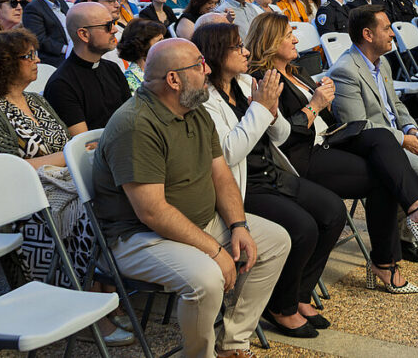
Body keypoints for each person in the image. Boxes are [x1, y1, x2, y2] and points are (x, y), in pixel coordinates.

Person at [91, 37, 290, 358]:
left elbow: (221, 174)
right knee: (207, 279)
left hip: (195, 223)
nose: (207, 69)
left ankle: (233, 344)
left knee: (275, 241)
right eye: (199, 65)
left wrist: (238, 224)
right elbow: (152, 212)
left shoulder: (191, 108)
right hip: (138, 238)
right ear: (173, 79)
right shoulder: (136, 125)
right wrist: (214, 250)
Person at [246, 12, 418, 294]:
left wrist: (323, 103)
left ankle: (415, 212)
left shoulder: (295, 71)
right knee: (383, 175)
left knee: (382, 138)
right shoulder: (264, 79)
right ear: (271, 41)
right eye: (288, 35)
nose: (296, 39)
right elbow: (283, 136)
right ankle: (389, 258)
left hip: (329, 140)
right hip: (301, 156)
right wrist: (316, 104)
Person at [0, 28, 132, 345]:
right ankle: (88, 306)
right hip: (23, 202)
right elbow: (3, 170)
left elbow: (67, 144)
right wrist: (65, 157)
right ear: (5, 63)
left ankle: (102, 293)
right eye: (29, 56)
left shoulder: (37, 101)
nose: (37, 59)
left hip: (61, 186)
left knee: (111, 199)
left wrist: (69, 155)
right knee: (90, 211)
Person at [195, 22, 344, 338]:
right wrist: (260, 110)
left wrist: (271, 111)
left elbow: (283, 135)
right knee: (303, 227)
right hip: (239, 185)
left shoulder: (247, 82)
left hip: (270, 170)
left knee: (333, 212)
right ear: (218, 54)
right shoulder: (205, 99)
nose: (246, 51)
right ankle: (281, 307)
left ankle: (300, 294)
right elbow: (228, 153)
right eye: (238, 47)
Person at [330, 5, 418, 263]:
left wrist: (411, 129)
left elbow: (396, 105)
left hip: (398, 135)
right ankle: (404, 239)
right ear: (368, 34)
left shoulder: (383, 62)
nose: (392, 34)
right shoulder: (345, 70)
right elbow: (357, 126)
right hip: (372, 145)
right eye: (387, 28)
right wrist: (403, 140)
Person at [43, 2, 131, 137]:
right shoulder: (61, 85)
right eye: (107, 26)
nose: (114, 29)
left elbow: (130, 116)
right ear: (84, 34)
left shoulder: (111, 68)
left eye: (113, 23)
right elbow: (83, 143)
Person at [22, 0, 70, 67]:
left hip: (72, 51)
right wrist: (66, 49)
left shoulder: (61, 2)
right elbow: (39, 39)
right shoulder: (33, 8)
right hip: (55, 58)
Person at [117, 18, 166, 93]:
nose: (165, 45)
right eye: (159, 41)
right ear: (142, 46)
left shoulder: (166, 70)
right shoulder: (129, 81)